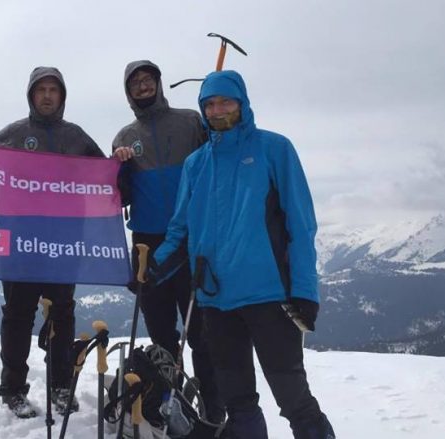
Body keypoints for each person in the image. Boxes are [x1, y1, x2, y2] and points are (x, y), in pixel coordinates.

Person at [152, 70, 335, 439]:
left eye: (226, 102)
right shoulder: (196, 164)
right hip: (215, 301)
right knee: (238, 401)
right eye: (210, 104)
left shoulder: (274, 149)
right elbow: (180, 228)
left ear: (242, 103)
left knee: (292, 397)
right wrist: (150, 268)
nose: (218, 110)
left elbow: (302, 225)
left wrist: (304, 290)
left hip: (269, 297)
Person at [0, 66, 105, 418]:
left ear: (62, 96)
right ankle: (12, 389)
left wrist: (124, 161)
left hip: (64, 244)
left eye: (54, 90)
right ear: (31, 95)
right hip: (21, 244)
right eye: (42, 90)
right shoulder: (13, 133)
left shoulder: (77, 137)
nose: (48, 95)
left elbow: (106, 179)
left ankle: (61, 387)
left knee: (62, 316)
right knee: (18, 316)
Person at [111, 60, 224, 424]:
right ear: (128, 92)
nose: (143, 87)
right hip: (147, 246)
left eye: (148, 80)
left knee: (202, 334)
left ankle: (213, 406)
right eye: (136, 83)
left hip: (192, 239)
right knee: (161, 335)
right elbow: (120, 197)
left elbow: (216, 160)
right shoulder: (124, 137)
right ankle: (168, 402)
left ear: (159, 85)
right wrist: (122, 168)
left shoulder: (191, 121)